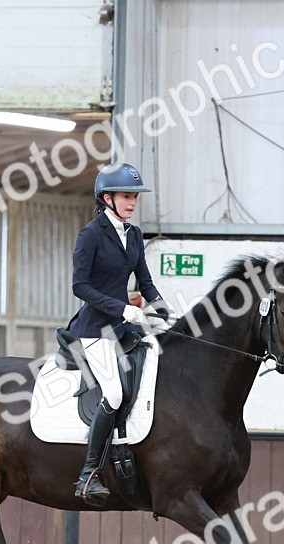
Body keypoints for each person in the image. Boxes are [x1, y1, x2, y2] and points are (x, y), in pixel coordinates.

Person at [65, 162, 174, 506]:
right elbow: (80, 286)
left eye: (135, 197)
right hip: (95, 330)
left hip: (124, 327)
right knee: (113, 393)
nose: (132, 203)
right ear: (107, 198)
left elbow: (145, 280)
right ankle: (88, 473)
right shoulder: (91, 235)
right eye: (127, 196)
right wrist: (121, 308)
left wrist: (162, 307)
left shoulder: (134, 234)